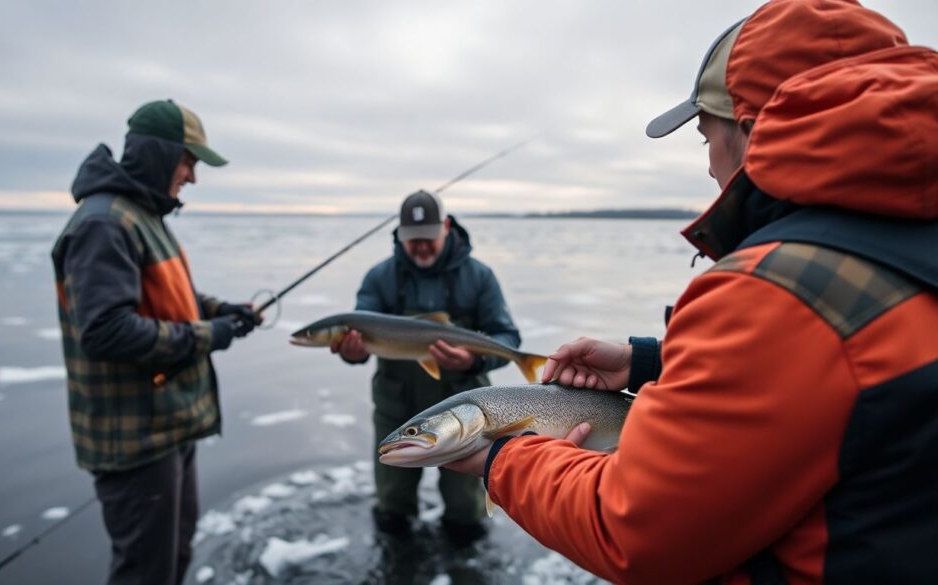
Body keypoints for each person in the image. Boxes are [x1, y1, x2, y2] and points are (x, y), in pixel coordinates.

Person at [446, 1, 938, 583]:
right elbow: (839, 377)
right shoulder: (897, 249)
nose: (708, 168)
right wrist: (650, 364)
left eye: (706, 138)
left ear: (753, 129)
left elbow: (637, 531)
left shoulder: (777, 292)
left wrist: (503, 458)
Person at [51, 99, 260, 585]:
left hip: (167, 427)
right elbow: (106, 331)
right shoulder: (104, 223)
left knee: (173, 557)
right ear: (159, 154)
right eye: (188, 162)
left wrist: (220, 310)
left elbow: (168, 297)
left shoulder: (142, 217)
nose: (193, 177)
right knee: (146, 572)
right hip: (135, 440)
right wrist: (211, 336)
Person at [334, 189, 523, 544]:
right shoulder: (380, 278)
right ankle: (397, 555)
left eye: (428, 238)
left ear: (446, 227)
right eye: (413, 240)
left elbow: (508, 338)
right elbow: (357, 339)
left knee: (466, 510)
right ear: (400, 234)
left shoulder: (479, 277)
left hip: (468, 413)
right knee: (392, 505)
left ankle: (463, 553)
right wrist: (352, 352)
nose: (421, 247)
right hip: (396, 407)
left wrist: (474, 359)